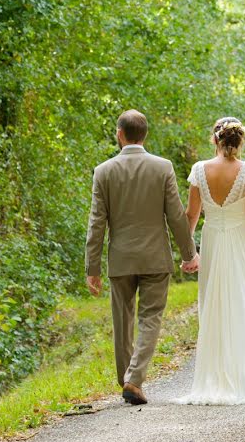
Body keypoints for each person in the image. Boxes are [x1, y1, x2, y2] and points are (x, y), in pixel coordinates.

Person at [84, 109, 199, 405]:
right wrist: (189, 253)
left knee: (122, 321)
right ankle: (133, 380)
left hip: (121, 258)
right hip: (155, 257)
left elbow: (97, 222)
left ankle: (127, 379)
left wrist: (92, 267)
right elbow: (175, 215)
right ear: (144, 135)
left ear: (120, 134)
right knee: (150, 318)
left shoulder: (103, 171)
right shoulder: (163, 167)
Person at [177, 117, 245, 405]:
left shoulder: (198, 170)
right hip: (242, 243)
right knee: (243, 303)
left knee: (214, 303)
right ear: (240, 141)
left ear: (214, 139)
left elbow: (191, 215)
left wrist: (188, 252)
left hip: (213, 239)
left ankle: (214, 376)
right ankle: (240, 376)